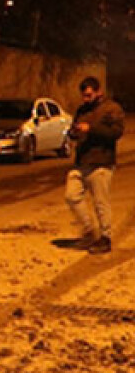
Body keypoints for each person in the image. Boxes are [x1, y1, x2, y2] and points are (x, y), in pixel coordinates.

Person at [63, 76, 124, 254]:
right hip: (82, 161)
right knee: (71, 195)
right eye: (84, 96)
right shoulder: (82, 110)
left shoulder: (111, 109)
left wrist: (91, 129)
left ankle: (105, 238)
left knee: (100, 202)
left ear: (99, 92)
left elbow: (116, 132)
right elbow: (76, 130)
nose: (85, 99)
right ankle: (89, 232)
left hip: (101, 162)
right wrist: (73, 133)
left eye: (89, 95)